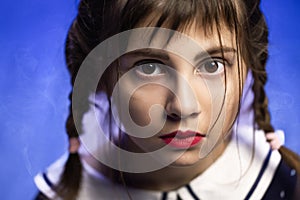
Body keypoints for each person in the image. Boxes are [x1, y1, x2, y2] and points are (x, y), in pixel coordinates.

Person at [34, 0, 300, 199]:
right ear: (100, 75)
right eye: (149, 67)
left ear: (248, 68)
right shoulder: (66, 191)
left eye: (212, 65)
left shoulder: (283, 185)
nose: (184, 107)